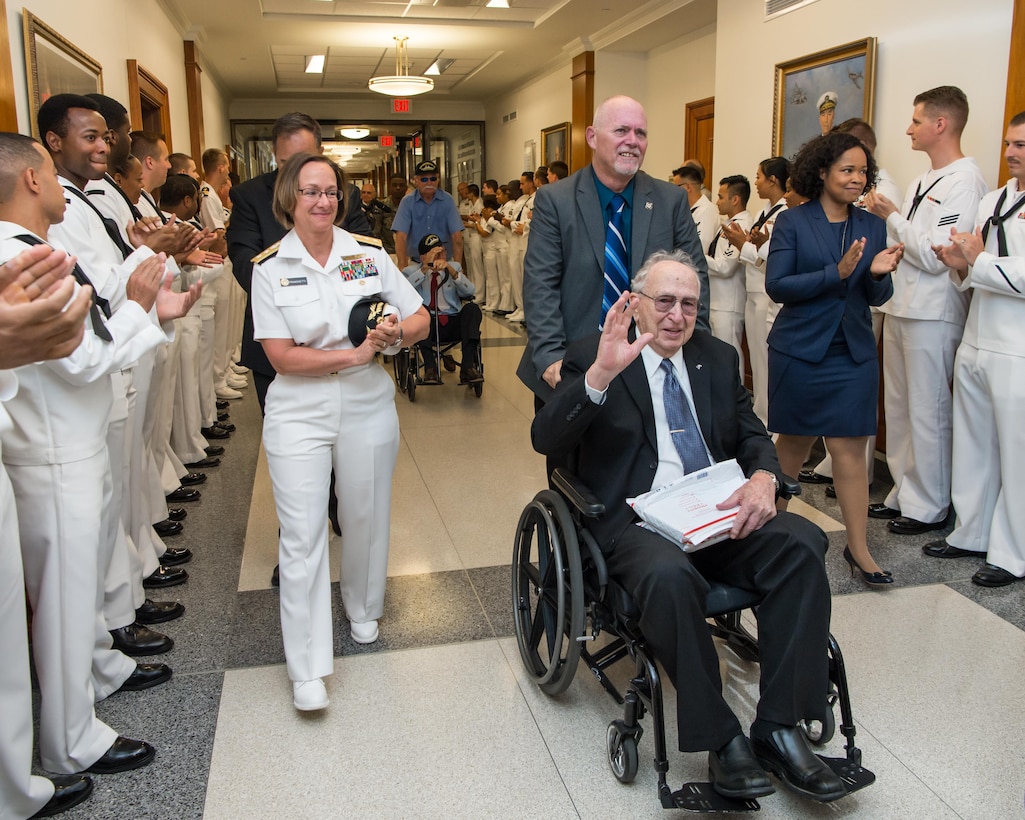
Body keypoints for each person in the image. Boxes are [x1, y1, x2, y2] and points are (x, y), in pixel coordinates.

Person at [531, 250, 845, 804]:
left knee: (802, 542)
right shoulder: (593, 355)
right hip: (637, 521)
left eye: (689, 305)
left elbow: (751, 436)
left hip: (714, 514)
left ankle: (779, 726)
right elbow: (548, 441)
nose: (677, 316)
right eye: (665, 302)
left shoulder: (717, 358)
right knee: (670, 578)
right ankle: (721, 740)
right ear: (636, 303)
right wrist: (602, 373)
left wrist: (765, 478)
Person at [249, 152, 429, 711]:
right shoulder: (271, 267)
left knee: (365, 512)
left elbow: (419, 314)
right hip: (299, 410)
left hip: (367, 404)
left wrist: (398, 337)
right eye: (310, 191)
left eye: (330, 191)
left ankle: (363, 608)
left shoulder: (368, 255)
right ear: (289, 199)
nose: (322, 201)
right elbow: (280, 356)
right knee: (302, 534)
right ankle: (306, 667)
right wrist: (354, 355)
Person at [766, 133, 904, 586]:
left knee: (850, 449)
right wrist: (836, 272)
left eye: (863, 171)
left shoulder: (870, 224)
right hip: (801, 349)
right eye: (847, 170)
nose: (857, 178)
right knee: (793, 445)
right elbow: (779, 286)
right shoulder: (793, 222)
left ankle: (859, 548)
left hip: (852, 350)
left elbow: (874, 294)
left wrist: (879, 275)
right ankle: (772, 535)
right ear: (821, 172)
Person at [518, 95, 708, 402]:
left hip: (652, 363)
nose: (632, 141)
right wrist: (551, 358)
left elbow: (696, 280)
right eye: (621, 131)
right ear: (592, 137)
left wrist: (695, 350)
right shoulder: (556, 200)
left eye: (641, 133)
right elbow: (540, 284)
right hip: (574, 365)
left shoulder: (670, 201)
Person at [864, 86, 988, 534]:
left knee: (928, 409)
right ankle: (904, 491)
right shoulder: (921, 181)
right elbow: (908, 246)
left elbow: (939, 255)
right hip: (903, 304)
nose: (908, 129)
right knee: (898, 408)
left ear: (941, 124)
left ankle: (930, 504)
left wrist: (892, 217)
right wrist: (898, 227)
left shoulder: (965, 180)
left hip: (934, 311)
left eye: (916, 121)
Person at [0, 242, 95, 819]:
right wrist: (136, 310)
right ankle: (24, 779)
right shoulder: (18, 251)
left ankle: (17, 782)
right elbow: (76, 351)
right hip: (48, 438)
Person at [926, 112, 1025, 587]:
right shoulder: (993, 198)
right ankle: (972, 532)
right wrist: (958, 265)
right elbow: (976, 270)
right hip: (978, 333)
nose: (1011, 152)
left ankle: (1012, 553)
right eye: (1009, 143)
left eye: (1022, 145)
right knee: (974, 443)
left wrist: (978, 260)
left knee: (1016, 453)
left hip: (1017, 346)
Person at [227, 111, 371, 412]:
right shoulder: (249, 196)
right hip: (277, 338)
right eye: (285, 163)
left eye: (304, 160)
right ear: (274, 157)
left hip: (342, 336)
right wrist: (295, 291)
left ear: (321, 155)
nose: (295, 173)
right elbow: (244, 262)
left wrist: (326, 289)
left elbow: (363, 258)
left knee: (348, 445)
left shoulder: (344, 195)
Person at [722, 157, 789, 426]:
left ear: (773, 180)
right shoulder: (765, 211)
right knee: (758, 366)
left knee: (767, 364)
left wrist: (743, 244)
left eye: (760, 177)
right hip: (753, 290)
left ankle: (771, 423)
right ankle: (761, 419)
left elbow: (770, 255)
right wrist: (745, 241)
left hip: (767, 293)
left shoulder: (784, 212)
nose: (757, 182)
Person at [402, 233, 483, 384]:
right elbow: (402, 292)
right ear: (422, 257)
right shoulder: (411, 272)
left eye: (442, 251)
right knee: (422, 313)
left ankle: (467, 367)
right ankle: (430, 369)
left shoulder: (455, 268)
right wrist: (425, 268)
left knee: (473, 309)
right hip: (428, 323)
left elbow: (470, 291)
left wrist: (452, 272)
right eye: (435, 253)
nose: (441, 256)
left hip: (452, 320)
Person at [706, 175, 753, 375]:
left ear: (735, 199)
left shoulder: (741, 225)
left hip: (729, 303)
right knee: (717, 357)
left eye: (721, 196)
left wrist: (697, 256)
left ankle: (735, 403)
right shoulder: (728, 222)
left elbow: (725, 267)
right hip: (718, 301)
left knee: (729, 357)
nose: (717, 202)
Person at [392, 159, 463, 270]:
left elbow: (457, 237)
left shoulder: (447, 200)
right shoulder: (407, 202)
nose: (429, 183)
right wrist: (403, 268)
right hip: (416, 264)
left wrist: (457, 267)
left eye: (433, 178)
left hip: (444, 263)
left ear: (438, 179)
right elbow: (401, 238)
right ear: (416, 181)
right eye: (424, 179)